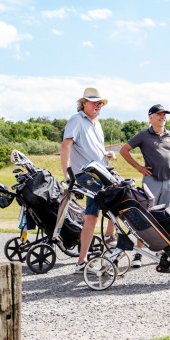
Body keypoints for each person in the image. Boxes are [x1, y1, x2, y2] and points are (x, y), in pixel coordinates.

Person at [60, 87, 116, 273]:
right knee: (91, 216)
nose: (98, 105)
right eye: (94, 102)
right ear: (84, 103)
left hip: (101, 172)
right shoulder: (76, 120)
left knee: (119, 196)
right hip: (87, 176)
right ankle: (82, 261)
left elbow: (93, 149)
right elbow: (66, 145)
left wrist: (106, 154)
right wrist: (67, 173)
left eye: (100, 103)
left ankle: (110, 236)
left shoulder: (97, 124)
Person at [120, 104, 170, 267]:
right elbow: (124, 150)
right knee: (145, 217)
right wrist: (139, 168)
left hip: (168, 181)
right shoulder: (143, 135)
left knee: (163, 217)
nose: (163, 117)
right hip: (151, 181)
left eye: (164, 115)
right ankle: (139, 255)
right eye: (159, 114)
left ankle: (163, 251)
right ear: (151, 117)